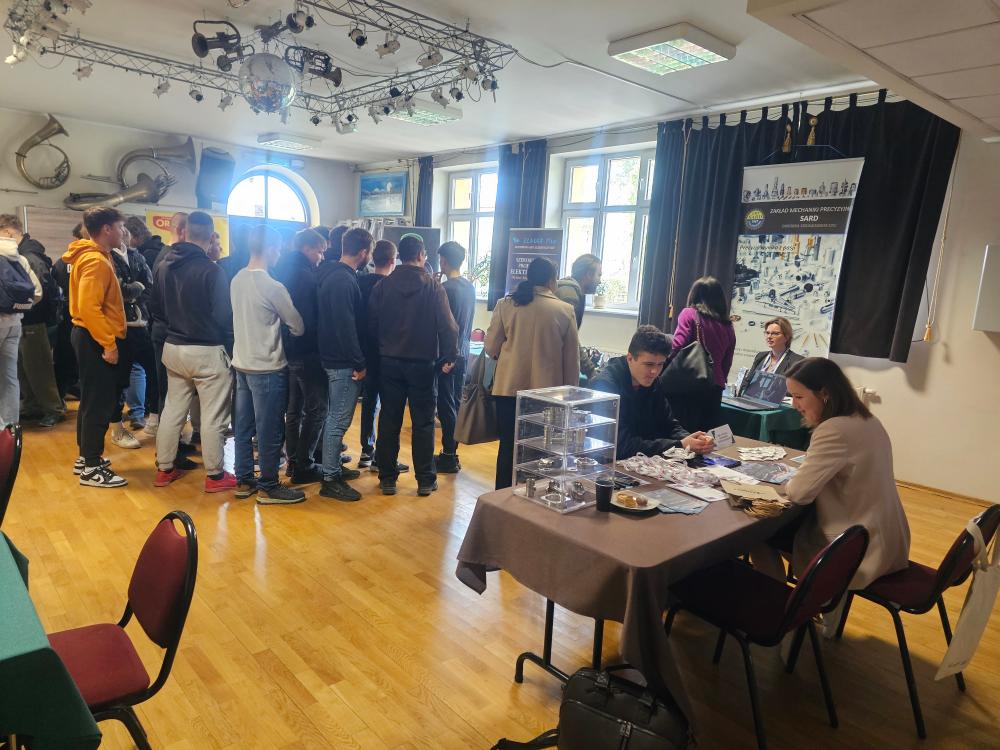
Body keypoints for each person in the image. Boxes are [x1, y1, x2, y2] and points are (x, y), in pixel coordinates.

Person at [756, 357, 911, 596]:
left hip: (856, 548)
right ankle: (811, 601)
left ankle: (782, 607)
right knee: (786, 529)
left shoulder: (833, 429)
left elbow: (799, 493)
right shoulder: (868, 419)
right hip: (887, 538)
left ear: (825, 394)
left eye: (799, 397)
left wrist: (794, 478)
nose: (795, 405)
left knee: (758, 536)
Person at [152, 211, 236, 493]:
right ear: (211, 237)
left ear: (184, 232)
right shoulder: (212, 270)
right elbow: (224, 317)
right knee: (213, 416)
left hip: (173, 347)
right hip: (207, 351)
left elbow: (157, 309)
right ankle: (215, 476)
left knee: (172, 410)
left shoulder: (164, 266)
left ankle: (165, 469)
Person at [368, 234, 458, 497]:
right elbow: (449, 327)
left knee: (389, 419)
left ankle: (387, 478)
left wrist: (376, 356)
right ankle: (425, 480)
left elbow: (371, 325)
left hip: (389, 362)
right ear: (421, 255)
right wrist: (449, 357)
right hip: (423, 364)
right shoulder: (434, 287)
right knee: (423, 422)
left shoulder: (382, 286)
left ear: (399, 256)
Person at [485, 257, 579, 490]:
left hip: (508, 390)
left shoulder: (506, 304)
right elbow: (571, 361)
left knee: (508, 447)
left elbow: (490, 347)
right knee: (541, 449)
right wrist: (571, 398)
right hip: (547, 395)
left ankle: (502, 496)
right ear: (552, 280)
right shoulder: (565, 310)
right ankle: (534, 497)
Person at [230, 231, 306, 505]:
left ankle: (244, 480)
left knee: (243, 428)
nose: (280, 254)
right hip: (267, 368)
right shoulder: (273, 286)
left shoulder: (236, 279)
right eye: (279, 248)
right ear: (271, 248)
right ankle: (269, 486)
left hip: (242, 364)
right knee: (270, 429)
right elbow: (297, 325)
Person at [61, 206, 128, 487]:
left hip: (89, 335)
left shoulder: (95, 256)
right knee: (99, 402)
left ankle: (86, 457)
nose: (123, 232)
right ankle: (91, 467)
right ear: (106, 229)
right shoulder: (95, 261)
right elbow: (89, 308)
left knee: (91, 399)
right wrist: (108, 343)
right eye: (120, 227)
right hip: (94, 337)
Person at [591, 325, 715, 459]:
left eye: (660, 364)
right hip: (607, 463)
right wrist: (680, 445)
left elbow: (669, 424)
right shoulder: (604, 386)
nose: (654, 371)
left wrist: (692, 440)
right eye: (649, 364)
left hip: (641, 460)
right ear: (630, 358)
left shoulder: (653, 382)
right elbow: (620, 446)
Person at [316, 227, 372, 501]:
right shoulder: (343, 280)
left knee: (334, 417)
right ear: (363, 253)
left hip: (332, 356)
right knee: (338, 420)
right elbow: (345, 326)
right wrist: (359, 362)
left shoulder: (331, 273)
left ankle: (333, 467)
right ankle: (330, 479)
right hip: (342, 361)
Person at [274, 228, 328, 484]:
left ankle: (293, 460)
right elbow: (308, 319)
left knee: (294, 409)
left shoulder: (281, 270)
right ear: (307, 248)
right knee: (317, 409)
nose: (321, 257)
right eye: (319, 251)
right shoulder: (305, 277)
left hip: (286, 349)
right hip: (306, 351)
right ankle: (304, 464)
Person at [1, 215, 64, 428]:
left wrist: (21, 308)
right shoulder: (21, 256)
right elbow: (36, 292)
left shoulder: (27, 256)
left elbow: (39, 292)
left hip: (33, 322)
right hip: (23, 320)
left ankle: (53, 409)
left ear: (8, 231)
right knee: (22, 369)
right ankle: (31, 406)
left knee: (38, 368)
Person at [356, 239, 408, 474]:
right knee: (388, 407)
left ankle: (366, 451)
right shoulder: (391, 287)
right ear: (393, 261)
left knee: (369, 402)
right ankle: (382, 458)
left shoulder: (359, 282)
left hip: (364, 353)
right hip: (387, 354)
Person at [108, 226, 158, 447]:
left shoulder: (136, 256)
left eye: (124, 227)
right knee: (119, 381)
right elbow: (118, 291)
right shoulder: (105, 257)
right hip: (119, 328)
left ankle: (154, 419)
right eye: (119, 227)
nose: (123, 231)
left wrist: (132, 291)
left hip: (142, 324)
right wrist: (133, 289)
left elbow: (149, 286)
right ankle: (117, 429)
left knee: (155, 373)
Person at [666, 276, 736, 432]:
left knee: (683, 432)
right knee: (706, 433)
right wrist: (720, 379)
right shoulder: (727, 325)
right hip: (715, 386)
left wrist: (663, 365)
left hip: (689, 384)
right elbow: (727, 360)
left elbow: (677, 345)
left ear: (694, 294)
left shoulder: (689, 314)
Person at [435, 241, 476, 474]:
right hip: (463, 352)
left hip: (448, 355)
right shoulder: (469, 287)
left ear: (443, 261)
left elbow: (445, 326)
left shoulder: (445, 289)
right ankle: (451, 452)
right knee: (455, 404)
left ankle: (449, 455)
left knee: (446, 406)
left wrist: (446, 358)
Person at [0, 215, 42, 429]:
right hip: (15, 324)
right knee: (9, 377)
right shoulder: (20, 259)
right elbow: (37, 293)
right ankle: (9, 427)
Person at [556, 253, 602, 382]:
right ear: (588, 274)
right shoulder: (569, 296)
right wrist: (591, 371)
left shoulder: (573, 292)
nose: (600, 281)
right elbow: (571, 338)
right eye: (599, 275)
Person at [740, 316, 805, 392]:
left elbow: (795, 391)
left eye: (775, 334)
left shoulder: (797, 362)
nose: (769, 337)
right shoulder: (760, 356)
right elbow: (747, 382)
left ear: (787, 337)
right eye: (767, 333)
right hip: (752, 397)